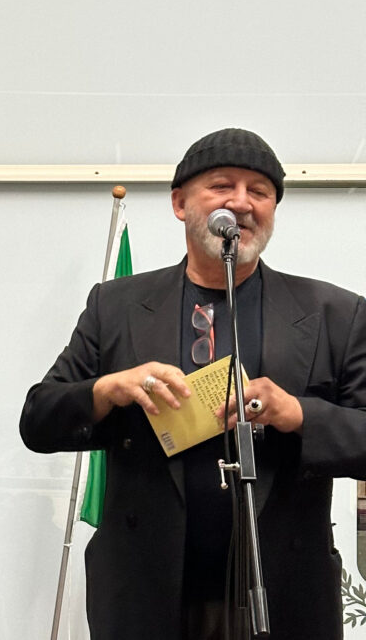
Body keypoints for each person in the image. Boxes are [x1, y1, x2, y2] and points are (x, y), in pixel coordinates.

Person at [20, 128, 366, 640]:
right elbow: (37, 421)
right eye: (222, 186)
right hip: (144, 592)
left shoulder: (335, 313)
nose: (242, 203)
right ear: (180, 203)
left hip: (283, 595)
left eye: (260, 192)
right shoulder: (114, 306)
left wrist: (297, 412)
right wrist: (106, 390)